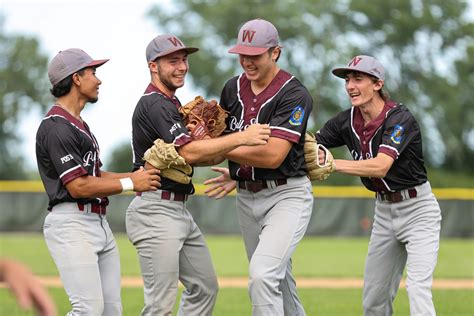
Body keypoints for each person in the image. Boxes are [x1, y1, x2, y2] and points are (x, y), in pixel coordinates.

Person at [125, 34, 270, 316]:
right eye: (172, 61)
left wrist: (215, 144)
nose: (181, 66)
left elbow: (205, 154)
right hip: (155, 209)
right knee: (159, 306)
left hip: (177, 209)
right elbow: (190, 154)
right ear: (153, 66)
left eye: (183, 59)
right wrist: (242, 137)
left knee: (204, 288)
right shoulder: (155, 103)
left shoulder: (171, 105)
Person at [35, 48, 161, 315]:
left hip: (98, 222)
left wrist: (140, 174)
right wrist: (130, 184)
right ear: (76, 78)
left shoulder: (79, 124)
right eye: (93, 72)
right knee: (87, 310)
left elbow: (95, 176)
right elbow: (78, 186)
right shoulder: (56, 126)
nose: (98, 79)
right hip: (72, 223)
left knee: (111, 311)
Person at [315, 55, 442, 315]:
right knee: (374, 300)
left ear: (377, 84)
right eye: (347, 79)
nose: (350, 85)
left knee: (418, 289)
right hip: (384, 212)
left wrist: (332, 163)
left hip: (418, 210)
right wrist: (243, 170)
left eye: (358, 78)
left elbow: (380, 165)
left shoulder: (399, 118)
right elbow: (307, 146)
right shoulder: (346, 120)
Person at [203, 18, 314, 316]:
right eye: (242, 54)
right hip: (246, 196)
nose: (246, 61)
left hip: (286, 195)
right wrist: (235, 168)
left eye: (255, 55)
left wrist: (226, 146)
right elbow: (219, 144)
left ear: (275, 52)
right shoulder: (232, 89)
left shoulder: (294, 94)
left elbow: (273, 155)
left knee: (263, 275)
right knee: (279, 282)